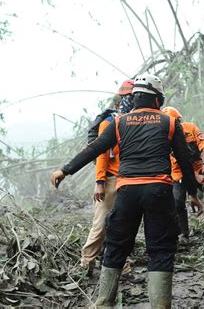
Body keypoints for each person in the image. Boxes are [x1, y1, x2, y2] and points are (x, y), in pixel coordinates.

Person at [50, 74, 204, 307]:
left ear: (134, 98)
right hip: (159, 191)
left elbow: (95, 148)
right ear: (157, 100)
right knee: (160, 249)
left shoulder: (119, 122)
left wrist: (65, 170)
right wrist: (192, 193)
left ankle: (103, 304)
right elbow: (184, 162)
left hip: (127, 192)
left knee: (116, 247)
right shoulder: (170, 123)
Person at [81, 80, 134, 275]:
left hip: (128, 180)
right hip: (111, 180)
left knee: (122, 226)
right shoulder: (109, 123)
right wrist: (100, 183)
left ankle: (124, 267)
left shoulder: (134, 122)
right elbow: (102, 154)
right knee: (101, 223)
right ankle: (87, 262)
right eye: (129, 97)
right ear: (121, 101)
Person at [162, 106, 204, 243]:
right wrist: (194, 178)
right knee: (177, 201)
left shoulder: (190, 128)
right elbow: (181, 164)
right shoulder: (164, 138)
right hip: (179, 175)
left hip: (198, 168)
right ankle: (183, 234)